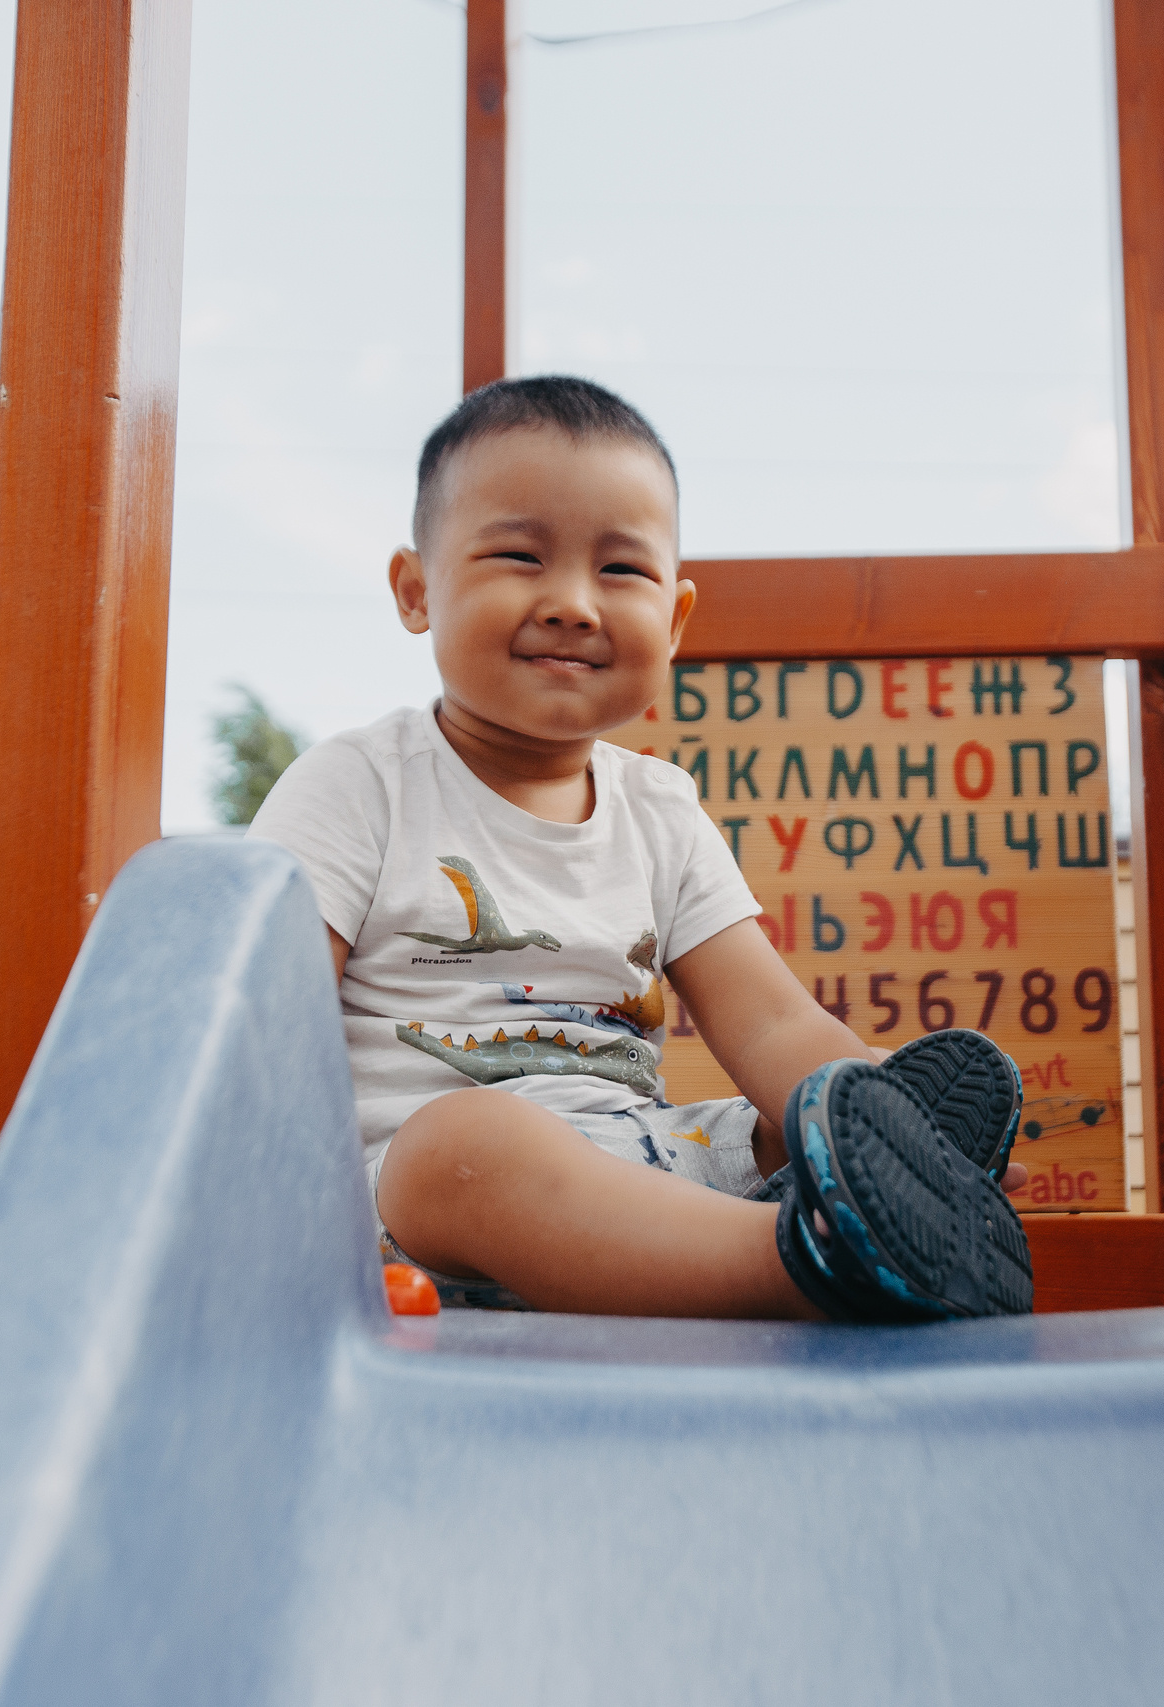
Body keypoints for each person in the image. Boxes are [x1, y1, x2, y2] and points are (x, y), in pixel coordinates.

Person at [248, 376, 1033, 1323]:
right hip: (416, 1208)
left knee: (794, 1123)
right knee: (464, 1147)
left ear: (677, 618)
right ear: (417, 590)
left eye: (622, 571)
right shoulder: (360, 785)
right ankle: (814, 1263)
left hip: (644, 1168)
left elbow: (774, 1025)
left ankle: (884, 1208)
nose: (575, 602)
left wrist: (876, 1118)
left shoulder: (660, 811)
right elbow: (261, 1023)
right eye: (519, 555)